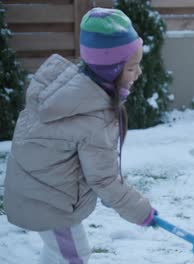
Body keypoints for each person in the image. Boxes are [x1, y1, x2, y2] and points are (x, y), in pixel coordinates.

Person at [4, 8, 158, 263]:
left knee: (60, 253)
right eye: (132, 68)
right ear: (111, 70)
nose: (139, 74)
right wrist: (143, 212)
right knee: (74, 256)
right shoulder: (94, 116)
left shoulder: (73, 93)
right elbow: (105, 181)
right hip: (48, 201)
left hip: (36, 191)